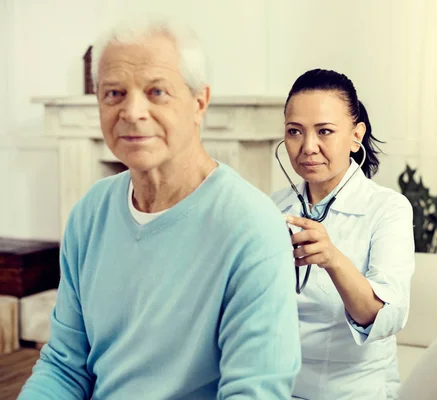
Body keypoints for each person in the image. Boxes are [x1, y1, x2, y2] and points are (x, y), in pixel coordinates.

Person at [18, 17, 301, 400]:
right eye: (114, 93)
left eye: (156, 92)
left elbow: (254, 391)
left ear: (199, 102)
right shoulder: (90, 213)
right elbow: (65, 367)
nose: (132, 112)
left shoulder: (252, 227)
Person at [271, 69, 416, 399]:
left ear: (356, 136)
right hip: (279, 388)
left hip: (354, 392)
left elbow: (386, 317)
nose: (308, 147)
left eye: (324, 131)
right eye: (295, 132)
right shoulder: (273, 207)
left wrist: (333, 259)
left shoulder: (388, 208)